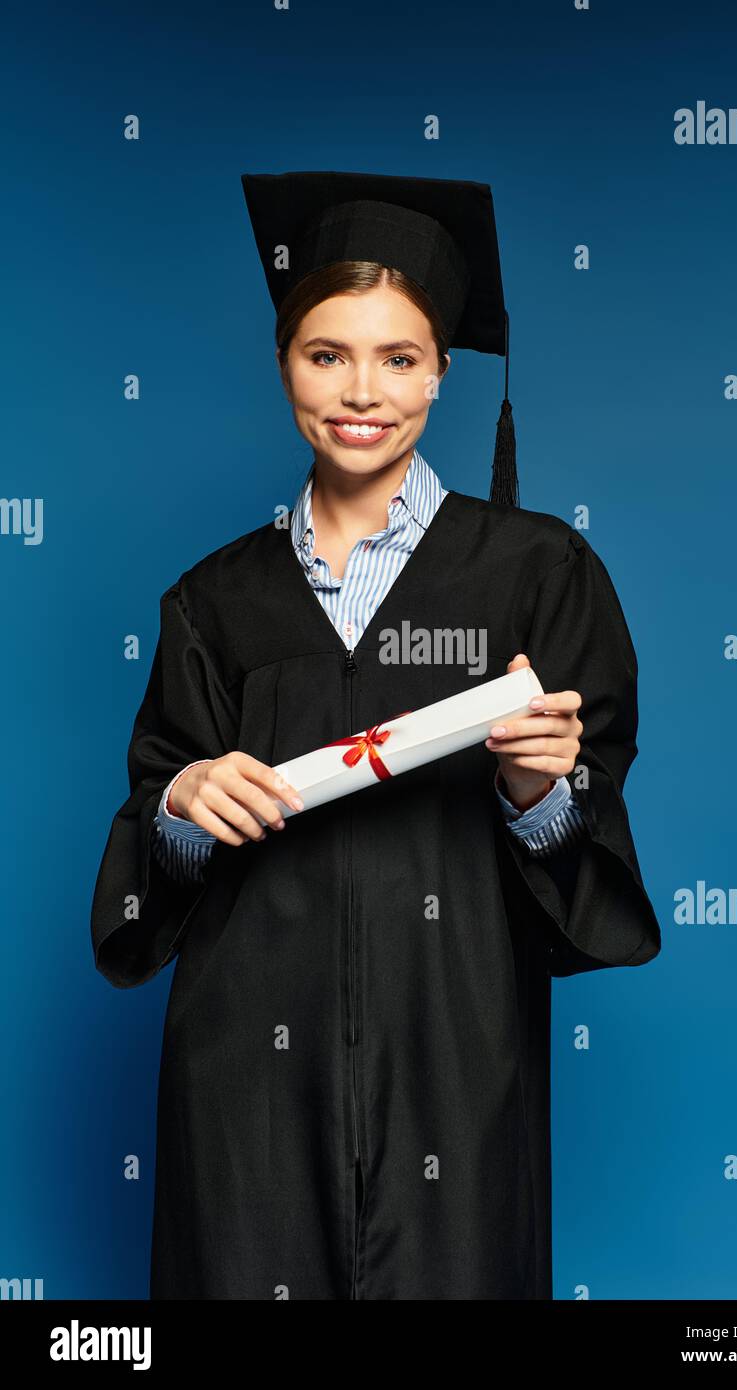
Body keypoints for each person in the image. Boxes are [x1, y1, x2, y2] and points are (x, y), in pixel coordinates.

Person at [90, 169, 661, 1300]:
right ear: (283, 364)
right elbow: (151, 848)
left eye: (399, 357)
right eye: (325, 353)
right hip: (245, 1074)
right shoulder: (212, 603)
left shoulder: (535, 572)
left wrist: (540, 790)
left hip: (449, 1055)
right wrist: (185, 803)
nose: (362, 391)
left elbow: (579, 848)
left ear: (443, 370)